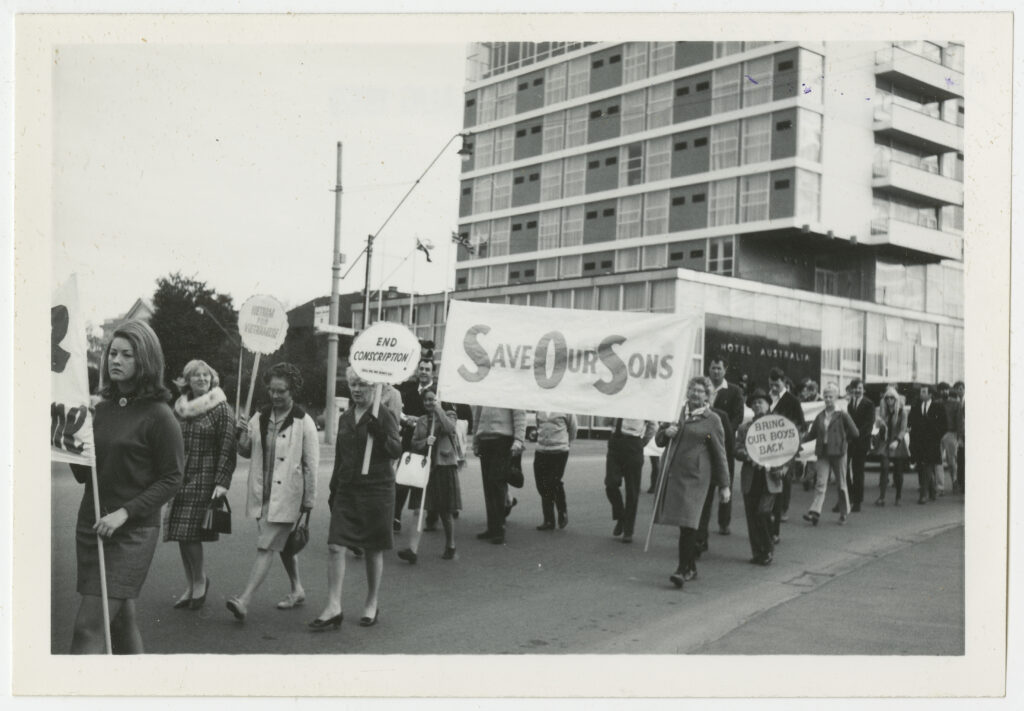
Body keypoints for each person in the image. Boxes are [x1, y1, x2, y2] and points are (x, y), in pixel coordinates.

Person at [69, 320, 184, 653]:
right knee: (119, 621)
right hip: (91, 526)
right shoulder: (99, 411)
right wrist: (68, 443)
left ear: (145, 361)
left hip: (130, 532)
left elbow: (172, 477)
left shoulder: (160, 415)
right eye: (112, 353)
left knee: (87, 628)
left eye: (126, 355)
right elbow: (85, 475)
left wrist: (124, 513)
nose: (114, 361)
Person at [311, 367, 402, 630]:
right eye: (353, 384)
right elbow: (341, 455)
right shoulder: (346, 417)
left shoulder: (383, 416)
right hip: (347, 489)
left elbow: (396, 449)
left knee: (373, 549)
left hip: (377, 489)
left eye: (362, 384)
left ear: (375, 387)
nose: (357, 389)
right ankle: (333, 606)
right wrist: (333, 488)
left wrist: (382, 435)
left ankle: (371, 602)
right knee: (335, 546)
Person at [226, 363, 318, 622]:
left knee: (266, 545)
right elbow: (246, 451)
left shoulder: (304, 422)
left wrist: (308, 503)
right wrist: (240, 435)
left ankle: (244, 600)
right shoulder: (259, 417)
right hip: (262, 494)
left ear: (293, 390)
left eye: (282, 391)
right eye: (272, 390)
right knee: (283, 547)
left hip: (288, 496)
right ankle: (297, 589)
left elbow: (311, 464)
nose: (276, 396)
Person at [164, 359, 237, 610]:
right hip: (180, 477)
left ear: (213, 380)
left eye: (206, 376)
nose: (203, 380)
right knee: (181, 535)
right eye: (197, 376)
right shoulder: (180, 409)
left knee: (190, 533)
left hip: (205, 478)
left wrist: (222, 482)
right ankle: (192, 584)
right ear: (187, 380)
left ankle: (200, 581)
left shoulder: (221, 408)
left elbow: (228, 447)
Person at [654, 377, 730, 589]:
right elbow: (659, 440)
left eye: (700, 391)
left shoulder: (712, 419)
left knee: (688, 523)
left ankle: (682, 569)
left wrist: (725, 485)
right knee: (684, 524)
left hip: (696, 479)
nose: (696, 394)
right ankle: (691, 566)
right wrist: (665, 433)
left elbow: (720, 454)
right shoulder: (677, 414)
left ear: (707, 395)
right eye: (693, 390)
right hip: (675, 476)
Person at [397, 391, 462, 562]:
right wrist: (426, 442)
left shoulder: (449, 415)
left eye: (432, 399)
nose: (429, 402)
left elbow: (450, 428)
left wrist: (438, 409)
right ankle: (412, 550)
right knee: (419, 509)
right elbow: (414, 443)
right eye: (426, 400)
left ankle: (451, 545)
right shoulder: (422, 421)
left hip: (443, 466)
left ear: (438, 400)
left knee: (445, 510)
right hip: (425, 468)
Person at [735, 389, 784, 565]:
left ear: (768, 405)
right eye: (754, 403)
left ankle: (768, 549)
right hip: (751, 476)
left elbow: (788, 451)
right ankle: (758, 552)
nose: (758, 405)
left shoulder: (778, 426)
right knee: (751, 516)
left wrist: (782, 468)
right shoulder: (744, 428)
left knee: (763, 512)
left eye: (761, 402)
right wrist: (748, 455)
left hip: (770, 477)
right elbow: (737, 449)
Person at [801, 383, 859, 525]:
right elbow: (812, 434)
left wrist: (843, 441)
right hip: (823, 453)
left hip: (839, 453)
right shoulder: (820, 416)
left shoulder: (842, 415)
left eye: (830, 397)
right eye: (825, 396)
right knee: (820, 483)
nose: (827, 399)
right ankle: (815, 512)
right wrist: (799, 441)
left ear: (836, 398)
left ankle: (844, 512)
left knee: (841, 484)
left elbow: (855, 433)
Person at [472, 406, 526, 545]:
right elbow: (477, 417)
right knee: (488, 486)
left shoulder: (509, 389)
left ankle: (499, 529)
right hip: (485, 440)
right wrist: (475, 441)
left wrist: (519, 440)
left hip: (502, 441)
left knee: (497, 483)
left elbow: (519, 414)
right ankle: (492, 527)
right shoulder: (485, 389)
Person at [395, 360, 436, 531]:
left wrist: (418, 421)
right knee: (403, 478)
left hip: (429, 443)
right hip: (408, 441)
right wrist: (407, 420)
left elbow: (436, 416)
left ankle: (432, 515)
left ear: (432, 372)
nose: (424, 372)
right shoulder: (409, 390)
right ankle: (395, 516)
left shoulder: (437, 392)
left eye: (427, 369)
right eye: (421, 369)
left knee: (429, 480)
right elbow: (400, 413)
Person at [696, 377, 735, 555]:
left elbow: (725, 449)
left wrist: (724, 482)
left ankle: (699, 540)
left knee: (704, 506)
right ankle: (696, 538)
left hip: (708, 470)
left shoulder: (720, 417)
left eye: (704, 393)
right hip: (689, 470)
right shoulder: (687, 414)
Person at [606, 416, 656, 544]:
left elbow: (653, 425)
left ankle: (628, 530)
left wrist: (642, 442)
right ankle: (621, 516)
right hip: (615, 442)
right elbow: (606, 421)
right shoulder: (618, 398)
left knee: (632, 490)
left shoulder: (642, 402)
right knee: (610, 484)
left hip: (633, 443)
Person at [767, 367, 805, 538]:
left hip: (786, 444)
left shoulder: (792, 401)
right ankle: (772, 508)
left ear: (784, 382)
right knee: (770, 477)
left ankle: (783, 509)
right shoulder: (767, 398)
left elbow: (801, 424)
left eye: (777, 384)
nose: (774, 387)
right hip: (768, 445)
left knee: (785, 478)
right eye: (771, 384)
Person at [708, 359, 744, 535]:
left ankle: (724, 522)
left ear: (725, 370)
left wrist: (723, 432)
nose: (716, 372)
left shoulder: (734, 391)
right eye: (713, 368)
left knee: (725, 480)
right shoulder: (704, 388)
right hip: (705, 442)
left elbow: (738, 416)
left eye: (719, 368)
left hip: (725, 443)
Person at [533, 410, 577, 531]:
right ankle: (549, 521)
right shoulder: (539, 408)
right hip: (541, 450)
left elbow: (573, 428)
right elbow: (538, 425)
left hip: (559, 451)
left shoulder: (565, 408)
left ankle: (562, 511)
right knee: (542, 485)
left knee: (553, 481)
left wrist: (566, 443)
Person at [908, 384, 945, 505]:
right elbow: (911, 422)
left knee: (927, 466)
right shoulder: (916, 407)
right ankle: (932, 490)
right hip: (919, 442)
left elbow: (943, 424)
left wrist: (937, 436)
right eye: (921, 392)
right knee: (922, 466)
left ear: (930, 395)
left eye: (924, 392)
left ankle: (923, 494)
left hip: (932, 442)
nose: (921, 394)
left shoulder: (938, 407)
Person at [845, 378, 875, 513]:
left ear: (863, 389)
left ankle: (857, 501)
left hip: (861, 442)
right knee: (844, 470)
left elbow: (868, 425)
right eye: (855, 388)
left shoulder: (869, 404)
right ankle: (848, 497)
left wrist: (856, 435)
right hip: (850, 442)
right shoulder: (850, 404)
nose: (857, 390)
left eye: (859, 388)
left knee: (858, 472)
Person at [875, 386, 909, 506]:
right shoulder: (882, 411)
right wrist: (880, 424)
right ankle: (882, 496)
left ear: (896, 399)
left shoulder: (902, 412)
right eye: (887, 398)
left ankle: (898, 496)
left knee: (898, 472)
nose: (889, 400)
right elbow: (878, 428)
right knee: (884, 469)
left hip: (897, 443)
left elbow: (903, 429)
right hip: (885, 443)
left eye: (892, 398)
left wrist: (897, 441)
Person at [936, 382, 959, 496]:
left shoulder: (955, 403)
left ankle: (954, 481)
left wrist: (958, 435)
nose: (944, 392)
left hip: (951, 433)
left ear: (949, 390)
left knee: (951, 461)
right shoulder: (936, 403)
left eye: (945, 390)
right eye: (941, 390)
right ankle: (940, 487)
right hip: (939, 433)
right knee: (938, 461)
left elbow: (958, 420)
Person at [953, 381, 965, 493]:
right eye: (957, 389)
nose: (959, 391)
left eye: (961, 388)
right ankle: (961, 483)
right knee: (960, 459)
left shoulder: (967, 401)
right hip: (960, 434)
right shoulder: (957, 402)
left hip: (967, 434)